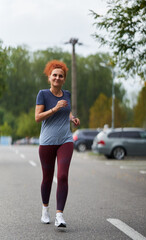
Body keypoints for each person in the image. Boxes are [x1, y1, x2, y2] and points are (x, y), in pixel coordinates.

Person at [35, 60, 80, 228]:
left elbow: (66, 111)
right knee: (47, 178)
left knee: (62, 176)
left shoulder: (67, 94)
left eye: (60, 76)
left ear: (64, 79)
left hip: (65, 140)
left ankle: (59, 215)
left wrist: (72, 118)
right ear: (49, 77)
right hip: (47, 142)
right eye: (54, 75)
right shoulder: (43, 94)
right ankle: (45, 210)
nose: (57, 78)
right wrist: (55, 108)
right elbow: (38, 117)